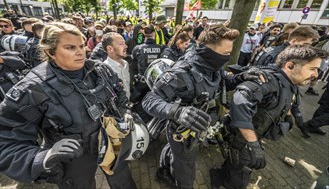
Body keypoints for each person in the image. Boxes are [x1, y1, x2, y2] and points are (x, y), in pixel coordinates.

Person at [0, 22, 136, 189]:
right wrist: (44, 157)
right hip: (73, 159)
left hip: (112, 141)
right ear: (50, 52)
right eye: (70, 48)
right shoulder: (32, 89)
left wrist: (124, 112)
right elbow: (7, 144)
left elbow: (120, 94)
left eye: (81, 45)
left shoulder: (101, 70)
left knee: (123, 181)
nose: (80, 52)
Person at [142, 24, 268, 188]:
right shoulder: (180, 73)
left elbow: (222, 81)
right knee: (186, 175)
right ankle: (174, 179)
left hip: (199, 126)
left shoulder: (211, 64)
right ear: (209, 51)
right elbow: (149, 100)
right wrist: (178, 112)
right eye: (225, 54)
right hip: (182, 131)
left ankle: (166, 166)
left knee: (177, 155)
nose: (228, 57)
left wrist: (241, 77)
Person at [210, 45, 329, 189]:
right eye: (312, 69)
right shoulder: (267, 80)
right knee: (238, 180)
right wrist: (253, 144)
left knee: (235, 165)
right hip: (241, 137)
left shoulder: (290, 83)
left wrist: (288, 117)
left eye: (317, 69)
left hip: (252, 135)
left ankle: (222, 174)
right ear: (290, 65)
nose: (316, 75)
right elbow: (240, 103)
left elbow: (284, 104)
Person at [252, 26, 319, 67]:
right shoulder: (282, 55)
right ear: (294, 41)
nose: (307, 48)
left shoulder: (275, 49)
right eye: (305, 44)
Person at [103, 32, 130, 99]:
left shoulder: (126, 64)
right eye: (121, 44)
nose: (126, 46)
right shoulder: (105, 70)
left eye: (125, 43)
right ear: (110, 49)